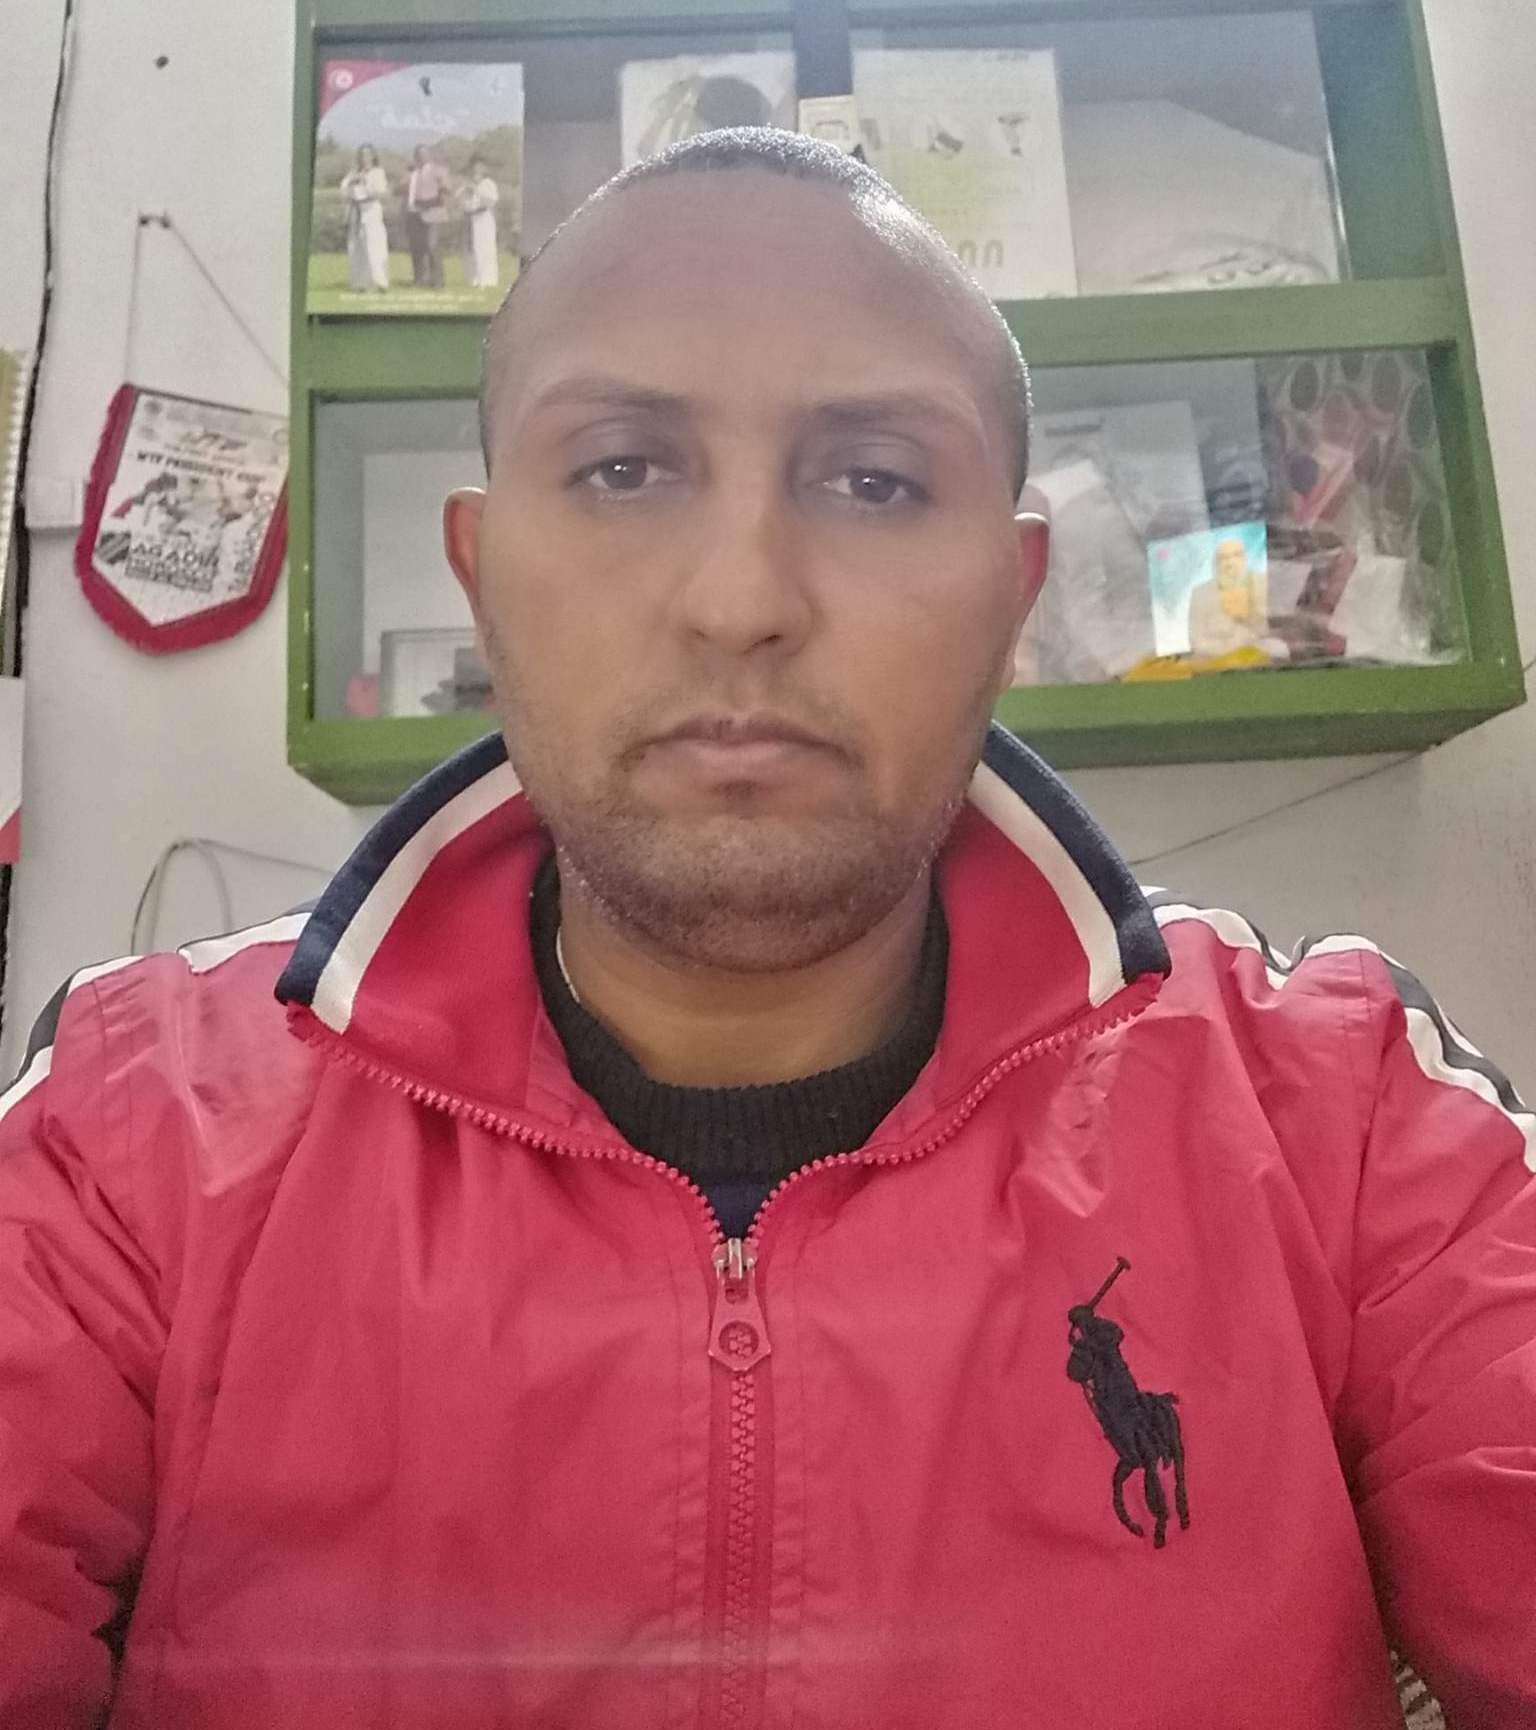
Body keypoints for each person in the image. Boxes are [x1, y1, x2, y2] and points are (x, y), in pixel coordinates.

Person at [1, 129, 1532, 1728]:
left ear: (1012, 597)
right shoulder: (137, 1135)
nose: (741, 602)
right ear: (482, 573)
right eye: (623, 470)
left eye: (875, 481)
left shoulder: (1340, 1121)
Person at [338, 142, 389, 292]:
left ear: (373, 156)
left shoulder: (378, 172)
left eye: (367, 154)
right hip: (355, 210)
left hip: (371, 209)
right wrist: (353, 180)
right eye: (361, 155)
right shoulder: (353, 173)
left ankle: (380, 282)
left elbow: (381, 192)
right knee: (356, 246)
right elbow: (343, 190)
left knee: (374, 245)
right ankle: (360, 283)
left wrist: (365, 182)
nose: (364, 157)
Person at [404, 142, 449, 287]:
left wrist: (442, 186)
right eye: (418, 154)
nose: (421, 157)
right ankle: (420, 279)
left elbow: (447, 188)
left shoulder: (438, 170)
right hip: (413, 212)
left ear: (429, 155)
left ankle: (437, 280)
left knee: (432, 246)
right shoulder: (411, 172)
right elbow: (398, 189)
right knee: (417, 247)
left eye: (424, 154)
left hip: (432, 212)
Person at [461, 151, 501, 289]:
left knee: (484, 248)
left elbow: (492, 200)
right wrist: (467, 193)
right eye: (474, 166)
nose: (476, 169)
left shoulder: (488, 183)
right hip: (470, 218)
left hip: (484, 219)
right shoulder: (467, 183)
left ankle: (486, 280)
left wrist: (476, 189)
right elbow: (461, 200)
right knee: (471, 249)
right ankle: (473, 279)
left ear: (484, 168)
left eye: (479, 166)